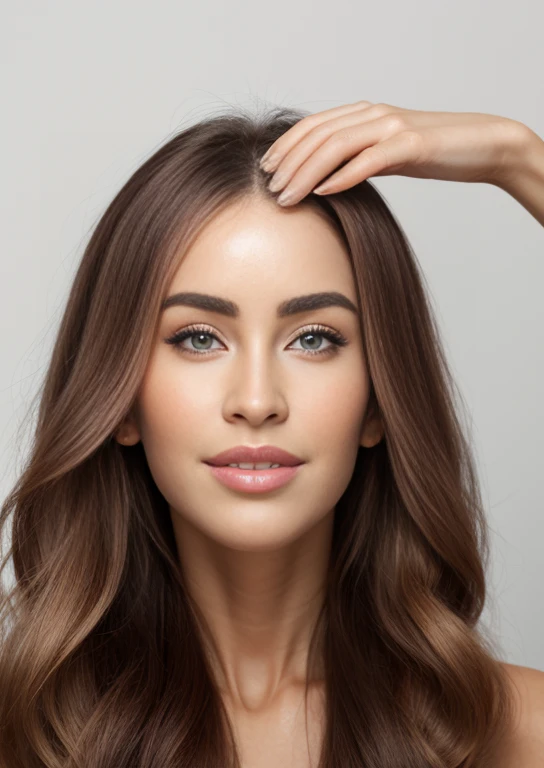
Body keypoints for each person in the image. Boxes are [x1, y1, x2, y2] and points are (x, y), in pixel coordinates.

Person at [0, 101, 543, 768]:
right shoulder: (23, 726)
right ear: (120, 402)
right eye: (198, 338)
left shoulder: (510, 730)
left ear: (379, 401)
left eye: (314, 339)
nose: (256, 401)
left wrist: (517, 158)